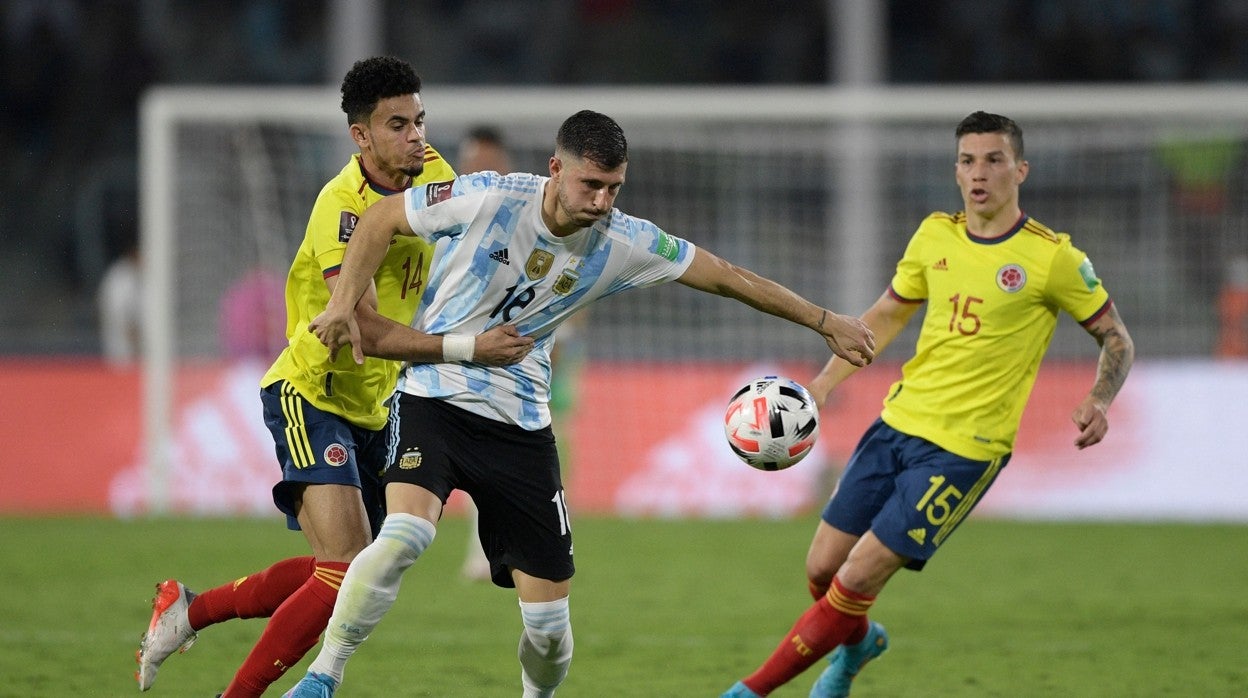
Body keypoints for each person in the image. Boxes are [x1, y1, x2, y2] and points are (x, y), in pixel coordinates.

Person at [282, 109, 876, 697]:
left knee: (549, 635)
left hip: (521, 426)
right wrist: (342, 306)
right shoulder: (489, 196)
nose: (600, 201)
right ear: (555, 170)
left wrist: (824, 321)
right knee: (405, 537)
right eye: (590, 184)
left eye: (613, 188)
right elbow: (383, 216)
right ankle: (322, 678)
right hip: (435, 394)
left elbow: (726, 276)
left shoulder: (625, 240)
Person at [134, 56, 534, 696]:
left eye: (420, 120)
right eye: (398, 124)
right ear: (361, 136)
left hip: (377, 407)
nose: (416, 136)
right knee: (346, 567)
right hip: (310, 391)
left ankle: (190, 608)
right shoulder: (339, 209)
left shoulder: (435, 176)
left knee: (350, 574)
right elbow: (366, 334)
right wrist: (467, 348)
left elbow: (478, 251)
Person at [721, 111, 1136, 698]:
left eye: (993, 160)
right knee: (821, 569)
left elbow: (1116, 337)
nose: (979, 173)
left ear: (1021, 169)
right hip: (896, 424)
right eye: (967, 160)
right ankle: (861, 645)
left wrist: (1100, 397)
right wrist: (819, 387)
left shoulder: (1053, 259)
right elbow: (885, 317)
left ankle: (748, 692)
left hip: (965, 450)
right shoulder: (934, 235)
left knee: (859, 575)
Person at [455, 124, 517, 582]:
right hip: (471, 355)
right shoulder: (450, 213)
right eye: (470, 163)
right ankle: (483, 553)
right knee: (479, 453)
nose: (477, 170)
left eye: (485, 162)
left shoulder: (528, 213)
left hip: (536, 353)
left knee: (549, 445)